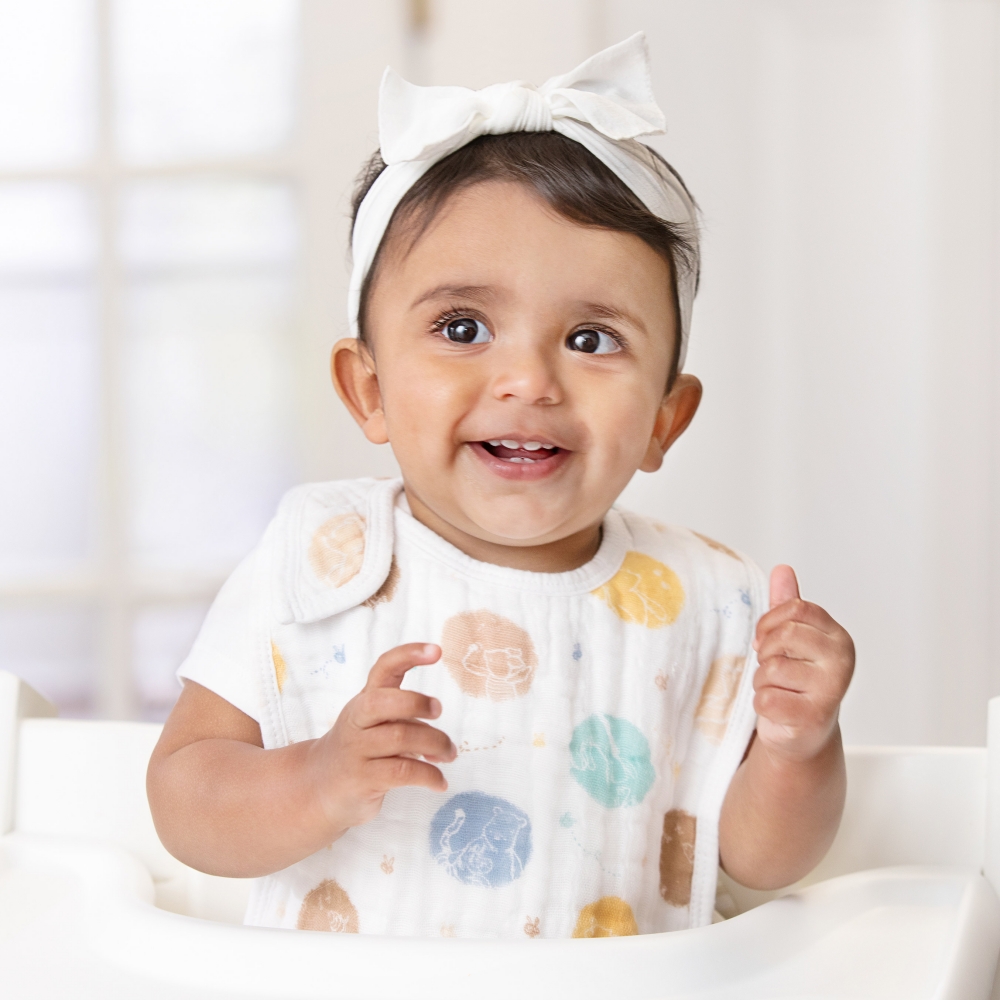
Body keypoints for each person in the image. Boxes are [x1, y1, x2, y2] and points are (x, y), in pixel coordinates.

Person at [146, 33, 854, 939]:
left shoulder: (713, 601)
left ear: (664, 419)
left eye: (591, 339)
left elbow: (759, 860)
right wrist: (315, 779)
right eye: (463, 327)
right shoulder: (322, 558)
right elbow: (184, 798)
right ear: (369, 390)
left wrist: (799, 746)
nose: (528, 381)